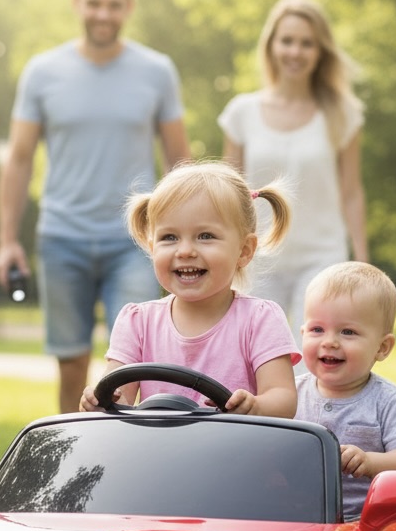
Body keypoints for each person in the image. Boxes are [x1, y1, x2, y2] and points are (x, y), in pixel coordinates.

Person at [0, 0, 191, 412]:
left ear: (129, 7)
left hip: (136, 241)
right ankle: (71, 469)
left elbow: (180, 161)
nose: (103, 14)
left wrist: (185, 234)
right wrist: (7, 241)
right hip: (62, 236)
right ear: (77, 3)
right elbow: (19, 158)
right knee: (71, 364)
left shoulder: (157, 71)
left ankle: (129, 467)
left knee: (134, 367)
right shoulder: (42, 72)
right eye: (95, 3)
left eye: (114, 5)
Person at [80, 161, 300, 417]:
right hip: (157, 451)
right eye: (169, 237)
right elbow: (118, 398)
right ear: (152, 247)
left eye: (205, 236)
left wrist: (256, 406)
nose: (184, 251)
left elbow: (284, 399)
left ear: (244, 250)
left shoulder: (260, 319)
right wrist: (99, 402)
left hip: (238, 452)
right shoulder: (137, 322)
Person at [219, 0, 368, 333]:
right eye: (287, 41)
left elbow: (352, 192)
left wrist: (361, 259)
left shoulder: (342, 114)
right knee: (250, 358)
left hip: (321, 256)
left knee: (316, 359)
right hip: (257, 257)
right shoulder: (242, 113)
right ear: (271, 45)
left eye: (307, 44)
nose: (295, 52)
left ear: (320, 52)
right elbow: (228, 195)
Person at [296, 262, 396, 521]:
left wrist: (370, 462)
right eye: (317, 329)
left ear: (382, 347)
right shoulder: (291, 393)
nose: (329, 341)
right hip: (295, 516)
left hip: (365, 523)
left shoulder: (387, 399)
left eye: (348, 332)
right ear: (302, 333)